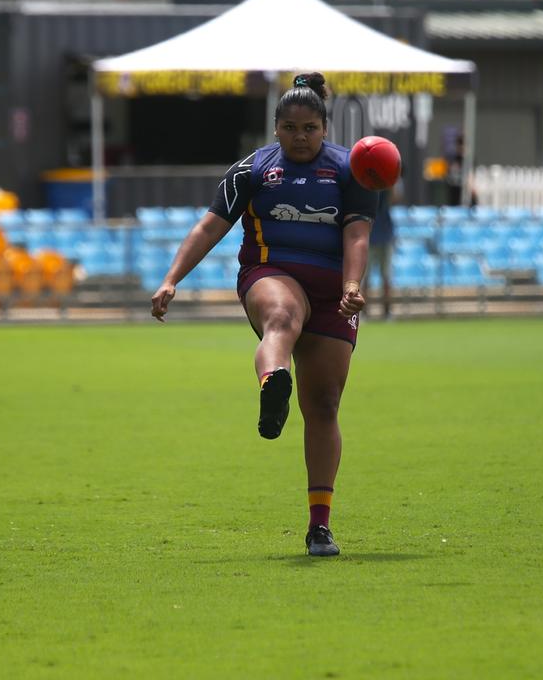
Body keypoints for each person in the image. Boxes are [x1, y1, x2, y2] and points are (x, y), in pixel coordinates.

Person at [150, 72, 376, 557]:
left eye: (310, 128)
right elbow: (210, 227)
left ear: (324, 126)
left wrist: (353, 287)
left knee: (324, 406)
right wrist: (172, 278)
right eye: (291, 128)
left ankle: (319, 525)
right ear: (276, 127)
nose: (300, 137)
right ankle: (273, 380)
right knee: (282, 319)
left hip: (334, 288)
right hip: (271, 272)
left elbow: (357, 235)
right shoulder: (251, 171)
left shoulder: (349, 170)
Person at [365, 180, 399, 319]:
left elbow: (395, 198)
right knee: (365, 279)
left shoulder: (388, 183)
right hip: (368, 238)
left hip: (385, 236)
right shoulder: (364, 183)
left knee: (386, 277)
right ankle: (364, 312)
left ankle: (387, 312)